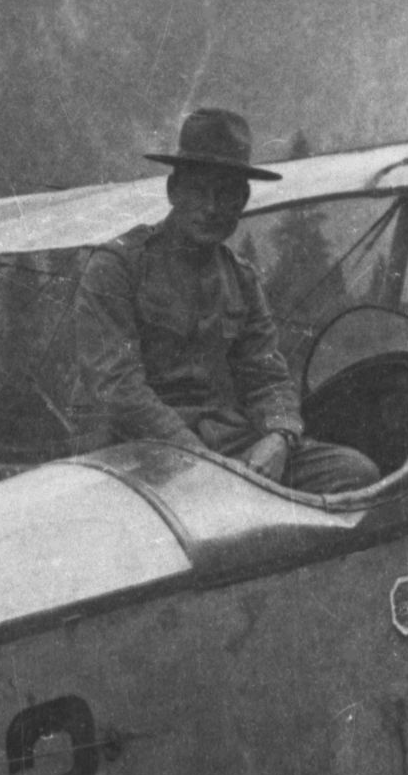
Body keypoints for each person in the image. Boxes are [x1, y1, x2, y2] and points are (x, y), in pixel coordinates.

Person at [75, 108, 381, 497]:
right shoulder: (117, 265)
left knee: (353, 473)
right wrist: (198, 458)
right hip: (135, 451)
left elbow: (267, 377)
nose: (212, 207)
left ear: (243, 200)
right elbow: (117, 388)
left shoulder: (242, 279)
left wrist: (279, 438)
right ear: (173, 191)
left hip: (229, 447)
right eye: (199, 191)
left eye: (227, 194)